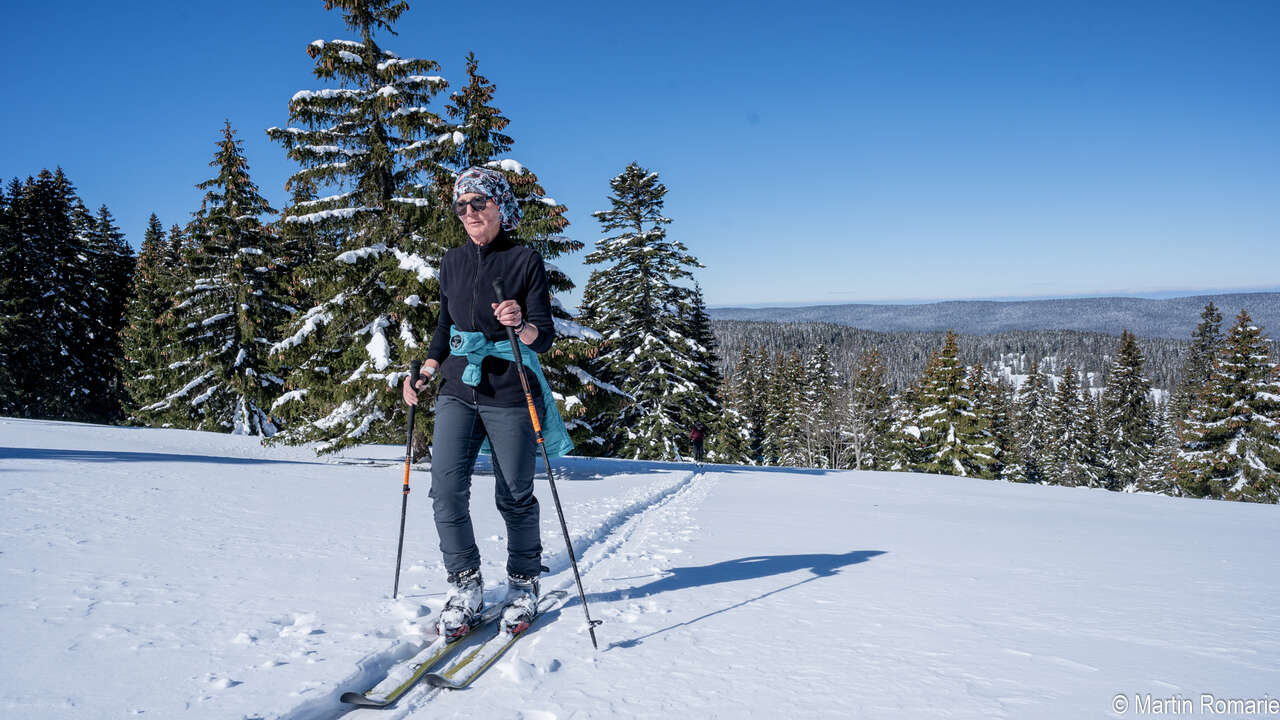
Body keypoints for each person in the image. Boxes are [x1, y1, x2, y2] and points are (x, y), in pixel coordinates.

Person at [402, 166, 569, 638]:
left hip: (510, 389)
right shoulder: (452, 262)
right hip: (458, 386)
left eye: (480, 203)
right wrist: (426, 371)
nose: (470, 212)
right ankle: (466, 586)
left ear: (500, 207)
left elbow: (544, 338)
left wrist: (520, 324)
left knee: (514, 494)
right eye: (462, 205)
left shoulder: (523, 258)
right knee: (445, 489)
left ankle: (522, 584)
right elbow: (443, 327)